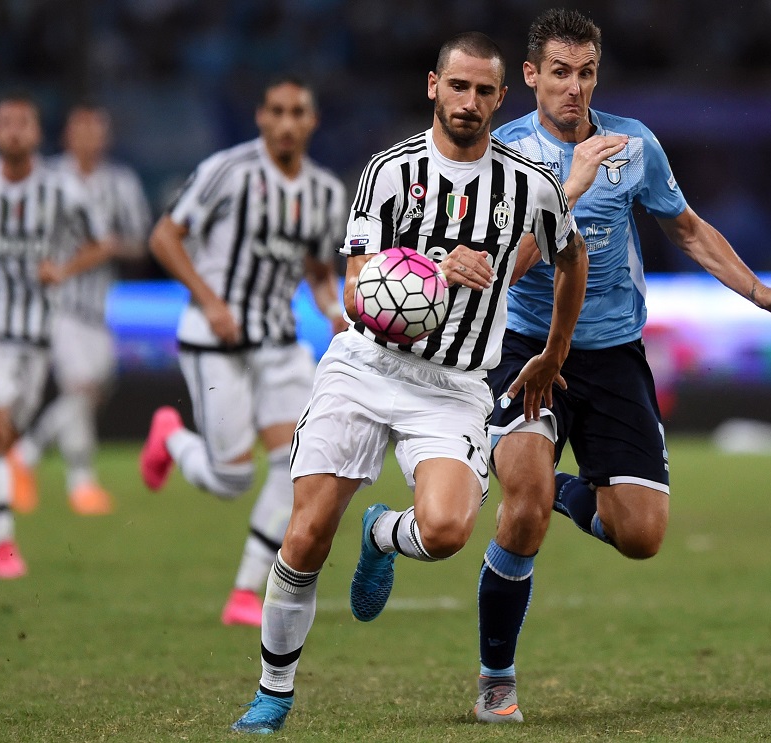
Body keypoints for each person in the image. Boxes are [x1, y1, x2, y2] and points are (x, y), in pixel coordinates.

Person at [473, 9, 771, 723]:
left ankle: (557, 486)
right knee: (521, 509)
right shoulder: (503, 155)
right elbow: (502, 270)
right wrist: (568, 189)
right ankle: (496, 676)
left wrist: (761, 293)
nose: (573, 88)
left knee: (640, 535)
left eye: (585, 73)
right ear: (529, 76)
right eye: (558, 73)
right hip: (524, 348)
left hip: (612, 354)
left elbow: (687, 228)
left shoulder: (633, 145)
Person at [229, 32, 589, 734]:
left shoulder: (529, 186)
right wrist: (431, 266)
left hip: (453, 385)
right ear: (433, 85)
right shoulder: (388, 172)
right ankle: (273, 692)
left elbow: (570, 258)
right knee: (303, 536)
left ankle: (384, 532)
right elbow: (358, 285)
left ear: (499, 98)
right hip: (366, 366)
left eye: (484, 91)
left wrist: (554, 350)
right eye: (458, 87)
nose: (470, 102)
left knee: (450, 529)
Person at [138, 76, 349, 628]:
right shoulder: (228, 171)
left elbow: (318, 272)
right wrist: (210, 301)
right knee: (230, 480)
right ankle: (170, 437)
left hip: (279, 344)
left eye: (297, 112)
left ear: (311, 121)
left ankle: (244, 592)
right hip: (216, 341)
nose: (285, 122)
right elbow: (164, 236)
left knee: (300, 462)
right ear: (261, 117)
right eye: (276, 111)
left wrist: (332, 310)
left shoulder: (325, 193)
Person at [0, 92, 112, 579]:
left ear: (37, 134)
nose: (13, 131)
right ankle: (3, 545)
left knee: (6, 436)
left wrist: (65, 268)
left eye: (23, 123)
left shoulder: (60, 191)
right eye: (5, 122)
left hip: (34, 335)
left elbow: (100, 243)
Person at [9, 103, 152, 517]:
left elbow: (139, 240)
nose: (90, 138)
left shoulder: (120, 182)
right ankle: (76, 480)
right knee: (82, 385)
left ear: (106, 137)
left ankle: (30, 453)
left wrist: (108, 247)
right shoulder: (49, 178)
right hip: (55, 303)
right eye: (81, 129)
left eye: (97, 130)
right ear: (67, 135)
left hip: (97, 305)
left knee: (95, 387)